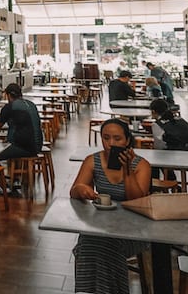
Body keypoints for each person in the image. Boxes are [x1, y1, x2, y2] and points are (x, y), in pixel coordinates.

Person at [70, 119, 152, 294]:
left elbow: (137, 200)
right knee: (87, 241)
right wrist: (82, 189)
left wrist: (127, 170)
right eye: (106, 138)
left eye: (117, 138)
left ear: (127, 141)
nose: (111, 144)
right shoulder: (92, 161)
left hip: (133, 228)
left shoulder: (141, 165)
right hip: (101, 225)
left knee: (107, 245)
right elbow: (74, 192)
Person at [0, 83, 42, 161]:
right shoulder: (31, 104)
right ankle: (13, 171)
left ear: (8, 95)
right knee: (7, 143)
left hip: (24, 148)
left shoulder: (10, 107)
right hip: (38, 146)